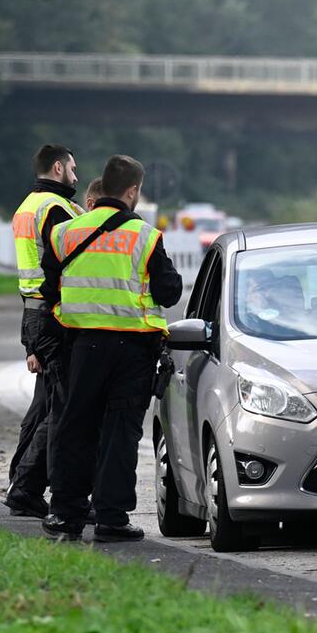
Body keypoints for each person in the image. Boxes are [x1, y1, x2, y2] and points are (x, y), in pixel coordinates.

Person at [41, 154, 183, 542]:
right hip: (133, 351)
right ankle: (111, 518)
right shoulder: (145, 236)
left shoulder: (66, 233)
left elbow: (48, 289)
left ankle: (66, 515)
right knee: (120, 433)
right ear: (132, 190)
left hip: (81, 346)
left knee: (75, 427)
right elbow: (170, 292)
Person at [5, 144, 83, 518]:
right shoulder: (54, 209)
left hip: (32, 310)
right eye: (72, 168)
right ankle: (26, 486)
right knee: (61, 406)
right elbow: (64, 262)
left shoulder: (25, 206)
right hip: (53, 311)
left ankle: (21, 484)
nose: (76, 176)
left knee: (44, 406)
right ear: (57, 167)